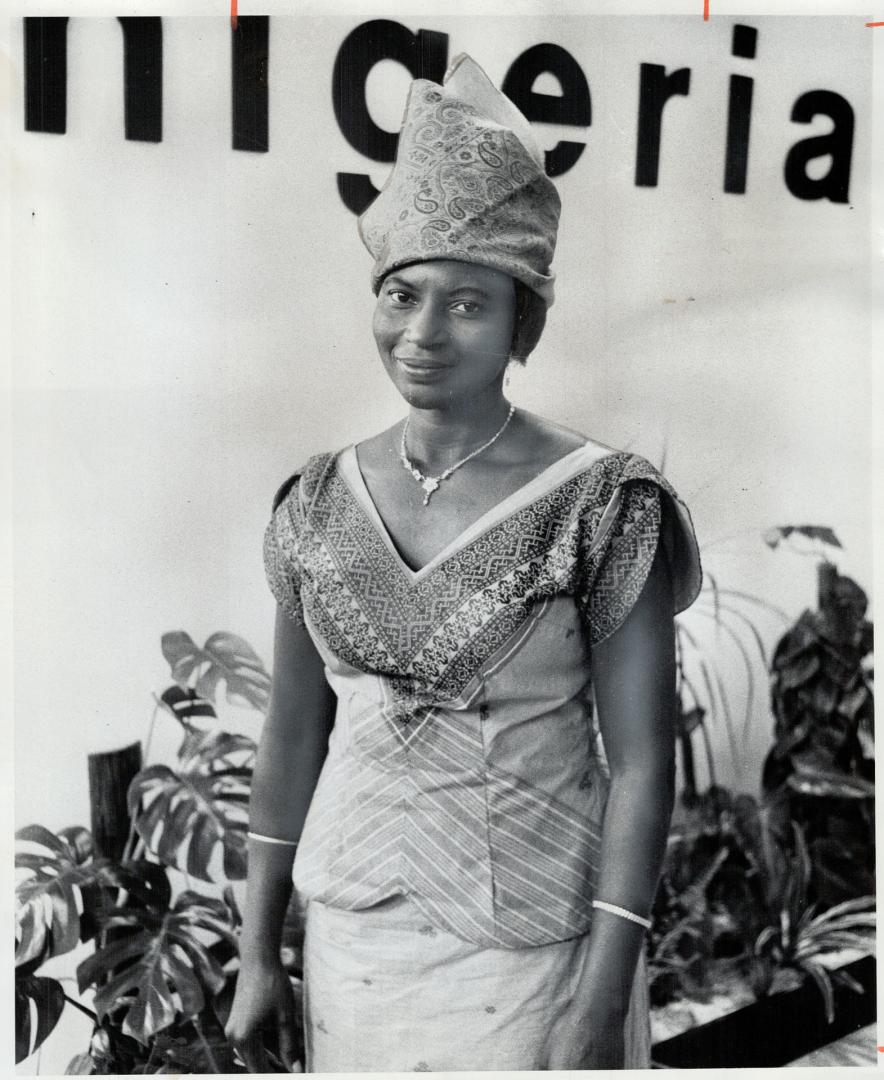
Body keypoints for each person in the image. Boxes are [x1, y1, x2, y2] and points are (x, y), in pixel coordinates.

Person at [225, 54, 701, 1072]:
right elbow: (292, 732)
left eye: (466, 304)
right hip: (354, 940)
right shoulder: (315, 497)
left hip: (531, 953)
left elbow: (641, 764)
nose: (423, 332)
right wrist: (256, 950)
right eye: (402, 295)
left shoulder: (600, 501)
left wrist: (597, 1003)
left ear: (519, 322)